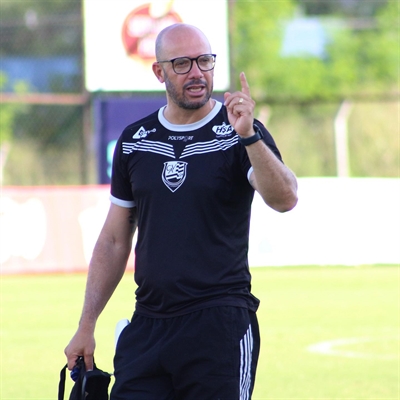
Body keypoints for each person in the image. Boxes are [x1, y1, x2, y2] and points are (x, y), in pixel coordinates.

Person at [65, 23, 298, 399]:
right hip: (148, 327)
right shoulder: (135, 140)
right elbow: (113, 240)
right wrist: (86, 325)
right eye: (183, 64)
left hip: (219, 326)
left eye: (205, 61)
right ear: (159, 72)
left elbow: (285, 198)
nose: (197, 73)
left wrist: (249, 135)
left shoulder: (240, 131)